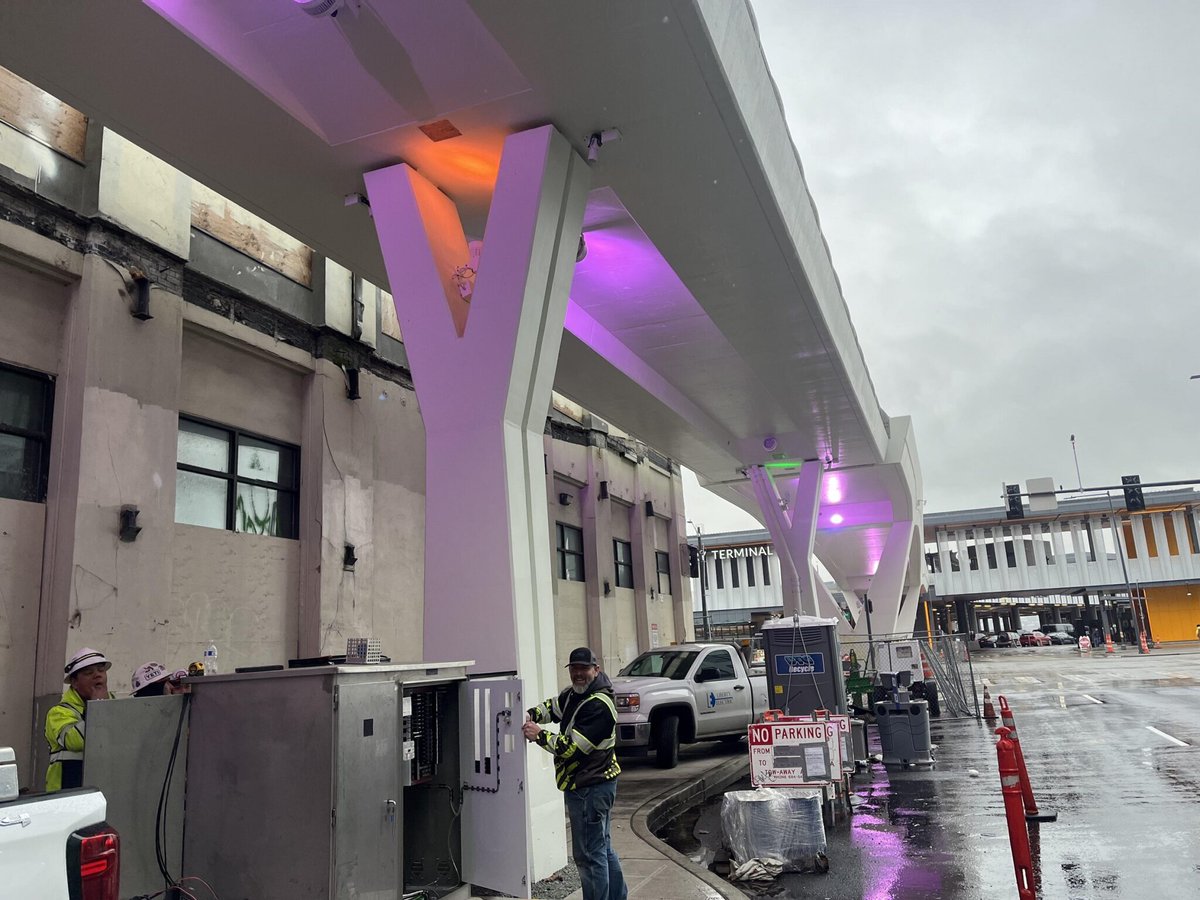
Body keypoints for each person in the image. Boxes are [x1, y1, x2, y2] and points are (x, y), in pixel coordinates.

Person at [523, 647, 626, 900]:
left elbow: (572, 749)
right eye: (574, 669)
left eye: (584, 668)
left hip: (590, 787)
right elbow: (553, 707)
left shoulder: (599, 705)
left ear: (596, 670)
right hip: (595, 785)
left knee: (589, 856)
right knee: (602, 848)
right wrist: (530, 714)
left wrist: (539, 735)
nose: (579, 673)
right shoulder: (575, 695)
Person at [45, 647, 114, 792]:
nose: (97, 675)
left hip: (105, 789)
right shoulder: (58, 713)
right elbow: (75, 742)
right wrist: (97, 708)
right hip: (66, 796)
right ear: (75, 683)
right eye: (88, 673)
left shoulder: (115, 706)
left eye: (101, 670)